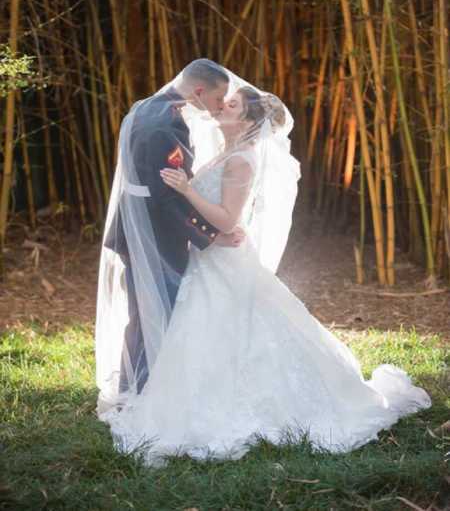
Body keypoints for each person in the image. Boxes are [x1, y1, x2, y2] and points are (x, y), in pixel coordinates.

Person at [97, 64, 431, 465]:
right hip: (204, 255)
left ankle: (170, 394)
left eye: (230, 104)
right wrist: (204, 226)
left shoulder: (240, 158)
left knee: (213, 326)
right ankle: (149, 389)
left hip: (219, 257)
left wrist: (198, 210)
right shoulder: (202, 140)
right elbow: (182, 201)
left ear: (247, 119)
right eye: (221, 99)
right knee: (180, 324)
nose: (220, 107)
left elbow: (227, 220)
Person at [96, 59, 244, 411]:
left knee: (143, 312)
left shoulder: (145, 107)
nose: (220, 105)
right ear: (198, 91)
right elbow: (166, 199)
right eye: (219, 97)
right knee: (157, 312)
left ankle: (133, 390)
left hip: (135, 226)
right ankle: (140, 397)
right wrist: (210, 235)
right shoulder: (167, 126)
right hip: (155, 234)